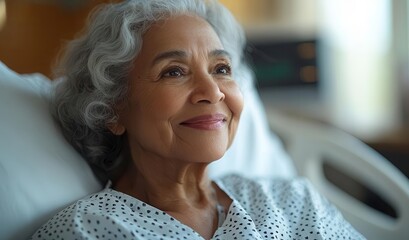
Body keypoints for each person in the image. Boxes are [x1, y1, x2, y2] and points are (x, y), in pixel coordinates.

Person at [32, 0, 365, 239]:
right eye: (174, 71)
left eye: (221, 69)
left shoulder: (292, 201)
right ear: (111, 109)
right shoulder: (85, 230)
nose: (212, 91)